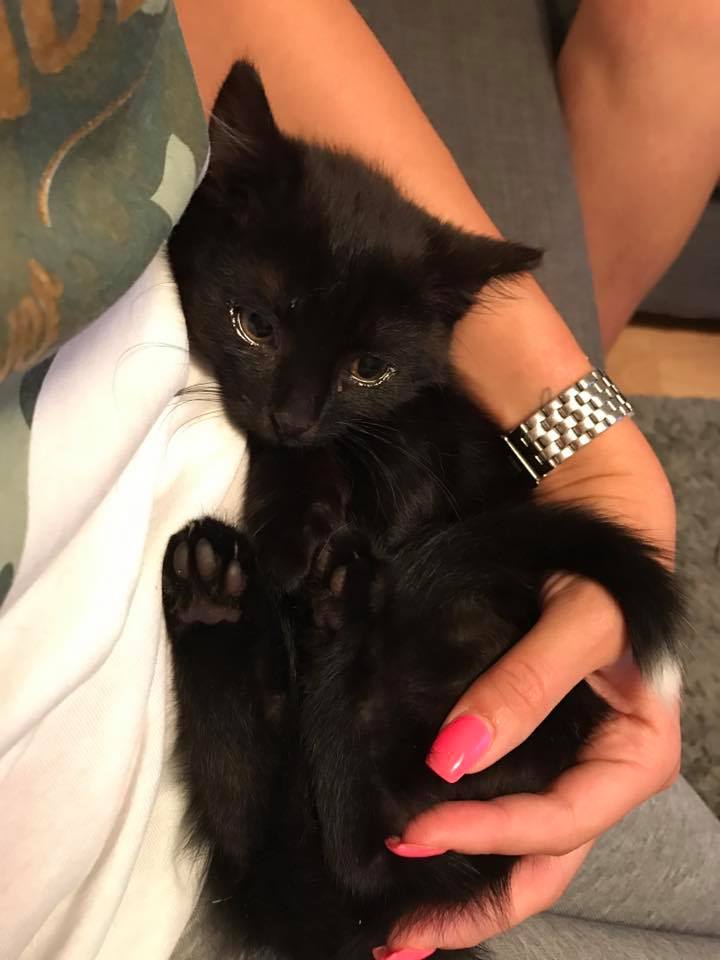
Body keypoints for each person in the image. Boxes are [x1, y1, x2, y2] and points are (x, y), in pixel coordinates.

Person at [0, 2, 718, 959]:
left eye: (361, 374)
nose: (293, 418)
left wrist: (595, 447)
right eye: (257, 330)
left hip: (352, 758)